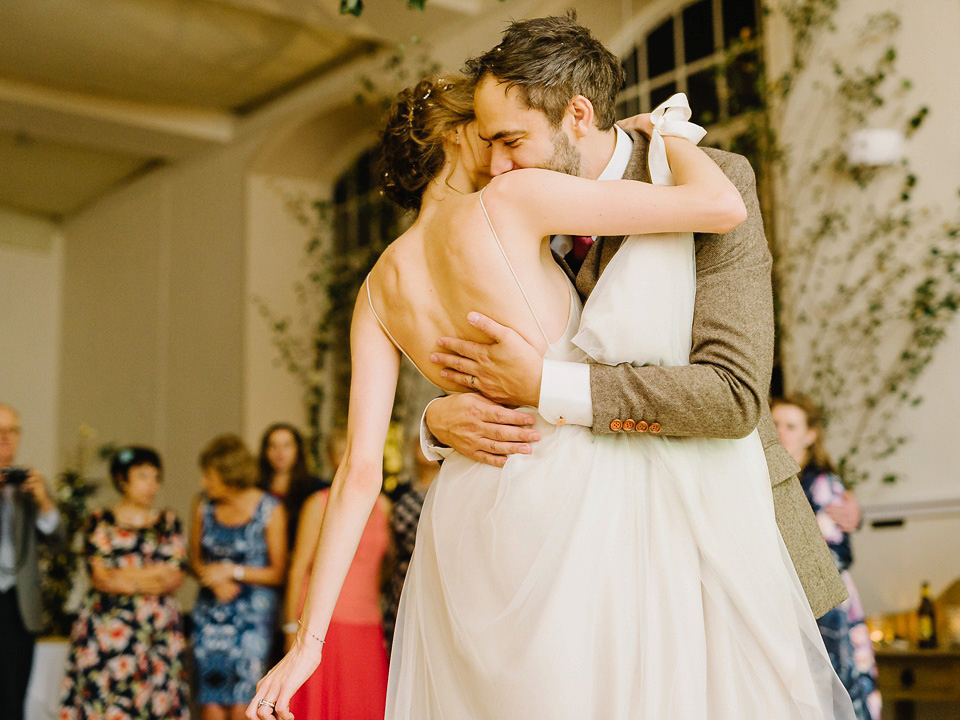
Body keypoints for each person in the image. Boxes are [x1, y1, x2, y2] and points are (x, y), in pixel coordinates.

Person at [247, 65, 853, 719]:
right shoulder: (515, 202)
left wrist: (307, 642)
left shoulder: (376, 288)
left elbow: (359, 472)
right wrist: (666, 131)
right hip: (578, 485)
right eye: (492, 134)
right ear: (456, 138)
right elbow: (714, 205)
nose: (506, 152)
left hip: (468, 515)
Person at [422, 13, 847, 623]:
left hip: (735, 552)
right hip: (589, 573)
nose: (496, 168)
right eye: (488, 145)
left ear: (577, 115)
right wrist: (439, 419)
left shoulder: (710, 182)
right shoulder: (505, 216)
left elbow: (733, 396)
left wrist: (545, 385)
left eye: (511, 141)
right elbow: (482, 361)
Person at [772, 396, 882, 720]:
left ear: (810, 435)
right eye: (775, 424)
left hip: (824, 603)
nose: (781, 433)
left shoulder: (821, 484)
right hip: (787, 603)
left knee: (834, 687)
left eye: (791, 426)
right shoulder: (764, 480)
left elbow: (836, 554)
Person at [59, 446, 189, 720]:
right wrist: (151, 576)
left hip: (157, 632)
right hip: (107, 629)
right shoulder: (100, 521)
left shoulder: (168, 522)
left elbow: (175, 574)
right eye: (142, 476)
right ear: (122, 479)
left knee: (156, 703)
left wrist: (124, 574)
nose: (150, 485)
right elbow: (101, 577)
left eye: (155, 478)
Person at [284, 429, 390, 720]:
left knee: (365, 706)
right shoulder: (317, 504)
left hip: (368, 621)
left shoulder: (384, 507)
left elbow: (384, 569)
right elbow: (297, 570)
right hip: (323, 623)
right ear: (333, 460)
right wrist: (290, 629)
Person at [191, 434, 288, 720]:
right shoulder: (203, 506)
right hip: (210, 614)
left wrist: (232, 571)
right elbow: (195, 559)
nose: (203, 483)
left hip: (252, 617)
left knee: (243, 701)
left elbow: (278, 572)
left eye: (209, 476)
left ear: (229, 476)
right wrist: (213, 579)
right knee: (210, 699)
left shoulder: (270, 509)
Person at [0, 402, 62, 720]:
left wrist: (43, 503)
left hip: (18, 606)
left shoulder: (29, 486)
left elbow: (58, 541)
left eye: (11, 431)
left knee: (12, 701)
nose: (5, 438)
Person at [383, 438, 438, 646]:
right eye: (424, 443)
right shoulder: (399, 492)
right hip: (404, 574)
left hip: (438, 575)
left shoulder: (454, 489)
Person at [258, 423, 324, 549]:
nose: (280, 452)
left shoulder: (317, 489)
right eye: (273, 446)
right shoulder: (255, 488)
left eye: (286, 446)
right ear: (265, 451)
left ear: (297, 449)